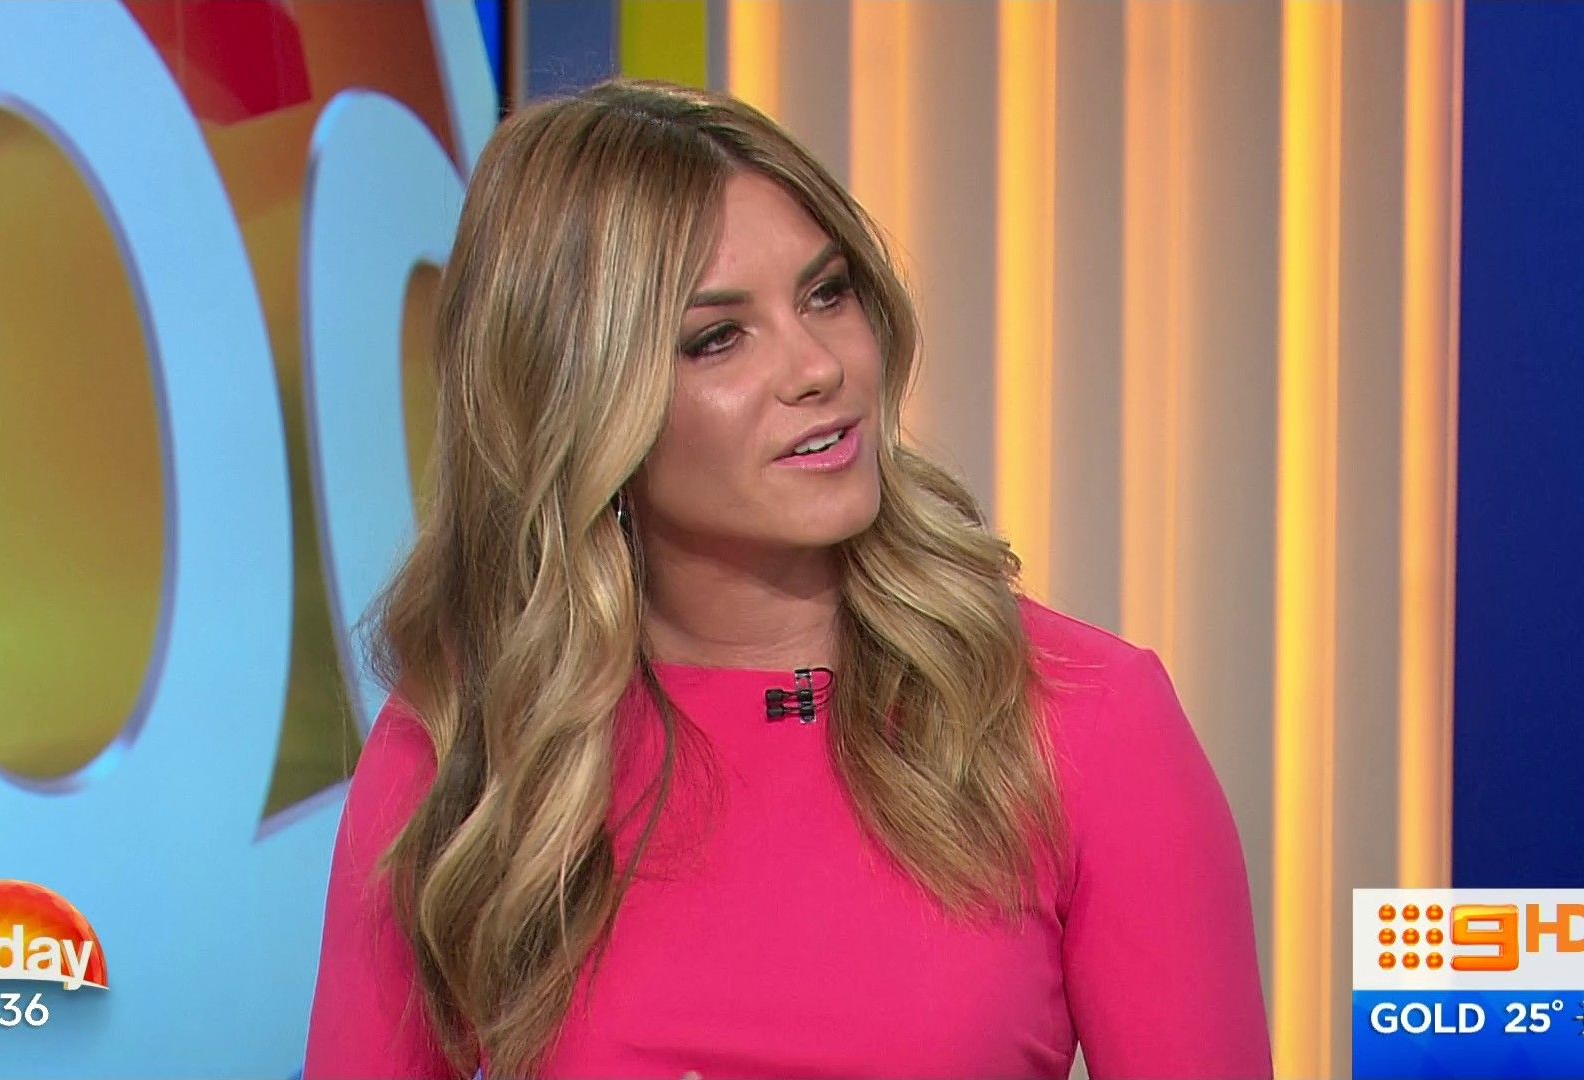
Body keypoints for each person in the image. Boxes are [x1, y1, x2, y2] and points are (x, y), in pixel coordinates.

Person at [303, 77, 1270, 1080]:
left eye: (826, 292)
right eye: (718, 337)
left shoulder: (1083, 719)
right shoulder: (467, 744)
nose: (818, 368)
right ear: (579, 400)